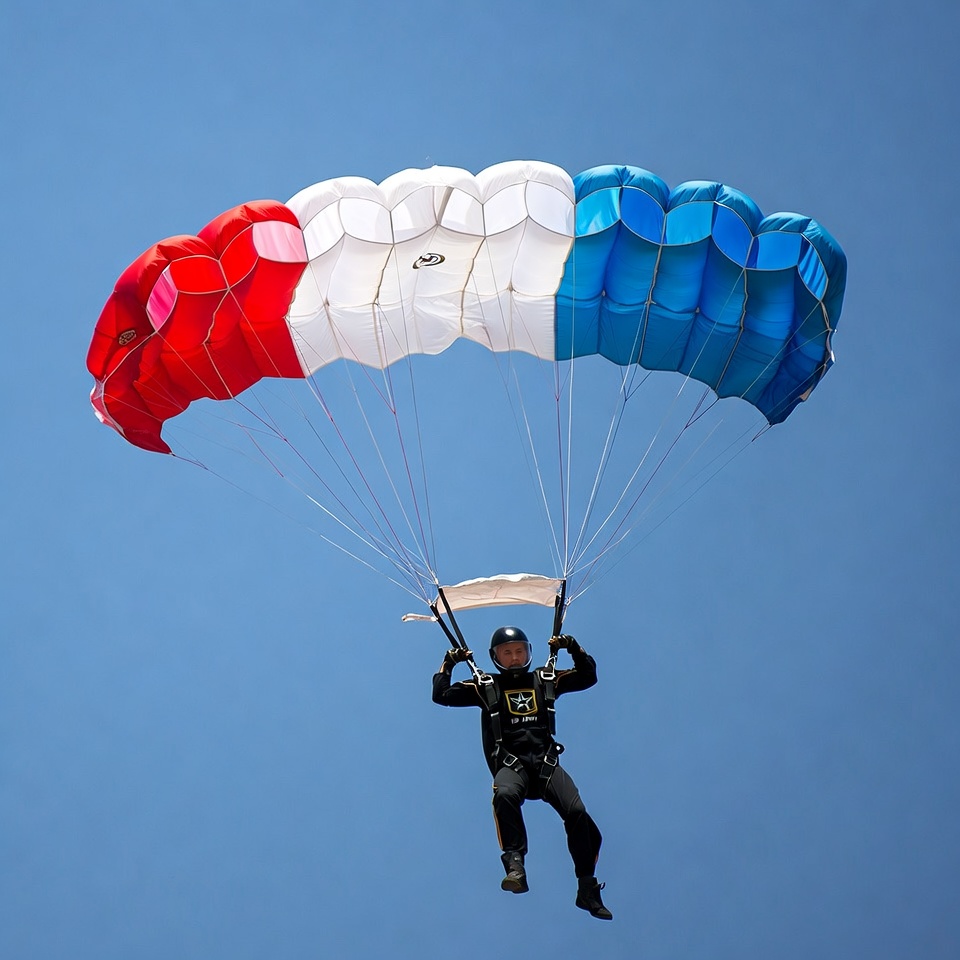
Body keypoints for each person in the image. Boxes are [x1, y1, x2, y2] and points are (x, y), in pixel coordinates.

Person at [432, 626, 613, 920]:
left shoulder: (544, 680)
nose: (514, 658)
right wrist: (448, 663)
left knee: (579, 814)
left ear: (529, 653)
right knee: (503, 794)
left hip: (545, 765)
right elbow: (441, 695)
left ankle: (587, 888)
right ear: (496, 658)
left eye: (519, 652)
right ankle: (515, 865)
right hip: (511, 765)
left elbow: (588, 676)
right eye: (507, 653)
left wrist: (574, 647)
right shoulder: (486, 685)